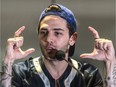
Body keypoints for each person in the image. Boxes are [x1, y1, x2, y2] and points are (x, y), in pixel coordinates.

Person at [0, 3, 116, 87]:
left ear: (72, 38)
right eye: (43, 33)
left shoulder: (87, 75)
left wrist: (110, 62)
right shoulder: (21, 72)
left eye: (58, 33)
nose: (49, 39)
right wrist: (8, 61)